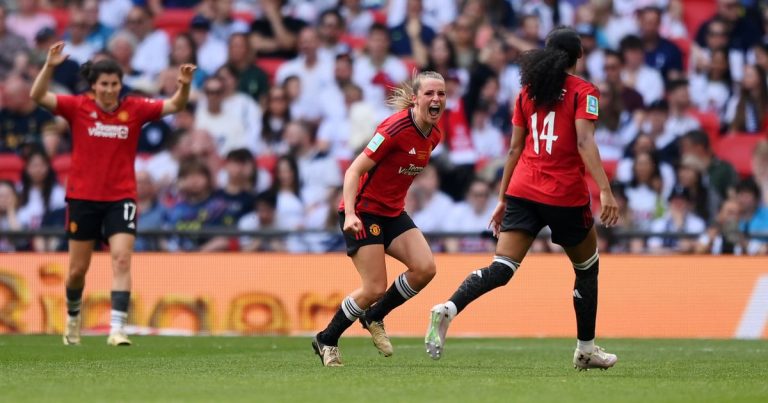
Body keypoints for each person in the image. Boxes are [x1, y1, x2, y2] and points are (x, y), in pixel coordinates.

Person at [424, 28, 620, 371]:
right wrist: (604, 189)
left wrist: (501, 199)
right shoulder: (585, 91)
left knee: (502, 268)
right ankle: (586, 349)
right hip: (564, 195)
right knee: (587, 268)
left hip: (523, 190)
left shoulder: (527, 92)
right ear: (576, 58)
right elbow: (584, 143)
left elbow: (514, 148)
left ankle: (449, 308)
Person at [29, 41, 195, 346]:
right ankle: (73, 318)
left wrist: (183, 86)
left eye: (114, 84)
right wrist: (50, 66)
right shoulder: (78, 106)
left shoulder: (134, 108)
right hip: (82, 198)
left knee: (121, 260)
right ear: (93, 86)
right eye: (103, 84)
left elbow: (175, 105)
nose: (109, 89)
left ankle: (117, 328)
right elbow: (37, 96)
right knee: (78, 270)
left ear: (121, 85)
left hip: (121, 198)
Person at [312, 71, 446, 367]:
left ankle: (374, 316)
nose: (436, 99)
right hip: (363, 211)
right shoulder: (394, 129)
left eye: (441, 94)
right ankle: (327, 339)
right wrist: (350, 213)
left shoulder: (435, 135)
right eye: (429, 94)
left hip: (393, 212)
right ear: (415, 98)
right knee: (373, 288)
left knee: (425, 269)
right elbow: (353, 171)